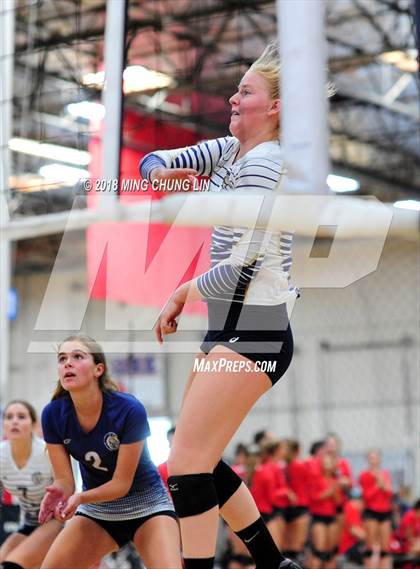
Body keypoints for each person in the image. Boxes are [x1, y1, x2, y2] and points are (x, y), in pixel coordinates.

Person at [140, 43, 299, 569]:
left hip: (255, 328)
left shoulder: (267, 164)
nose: (233, 98)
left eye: (246, 91)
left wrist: (184, 290)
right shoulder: (234, 152)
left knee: (185, 466)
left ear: (274, 108)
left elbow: (242, 267)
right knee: (199, 461)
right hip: (228, 326)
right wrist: (159, 169)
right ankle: (274, 564)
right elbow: (169, 160)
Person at [37, 335, 182, 569]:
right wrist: (59, 492)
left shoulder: (128, 408)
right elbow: (65, 480)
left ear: (98, 369)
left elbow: (121, 484)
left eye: (77, 356)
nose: (67, 363)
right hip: (97, 510)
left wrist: (81, 498)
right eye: (62, 358)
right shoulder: (52, 414)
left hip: (147, 505)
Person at [0, 400, 62, 569]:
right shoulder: (1, 455)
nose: (14, 421)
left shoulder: (47, 452)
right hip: (29, 522)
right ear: (3, 424)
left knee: (12, 565)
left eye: (21, 417)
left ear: (34, 425)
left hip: (58, 521)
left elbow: (69, 490)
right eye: (9, 417)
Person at [359, 450, 393, 569]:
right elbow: (366, 496)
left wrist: (383, 484)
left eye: (375, 458)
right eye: (371, 458)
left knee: (385, 549)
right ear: (368, 460)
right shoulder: (364, 475)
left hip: (385, 512)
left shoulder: (384, 474)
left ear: (379, 459)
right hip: (371, 512)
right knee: (370, 547)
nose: (373, 460)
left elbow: (389, 493)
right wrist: (377, 485)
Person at [307, 454, 341, 569]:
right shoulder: (316, 479)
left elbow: (338, 502)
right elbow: (313, 498)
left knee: (330, 553)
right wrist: (329, 492)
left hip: (331, 517)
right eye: (325, 463)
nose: (327, 466)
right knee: (318, 550)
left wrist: (334, 492)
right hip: (318, 517)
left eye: (329, 463)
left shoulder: (335, 481)